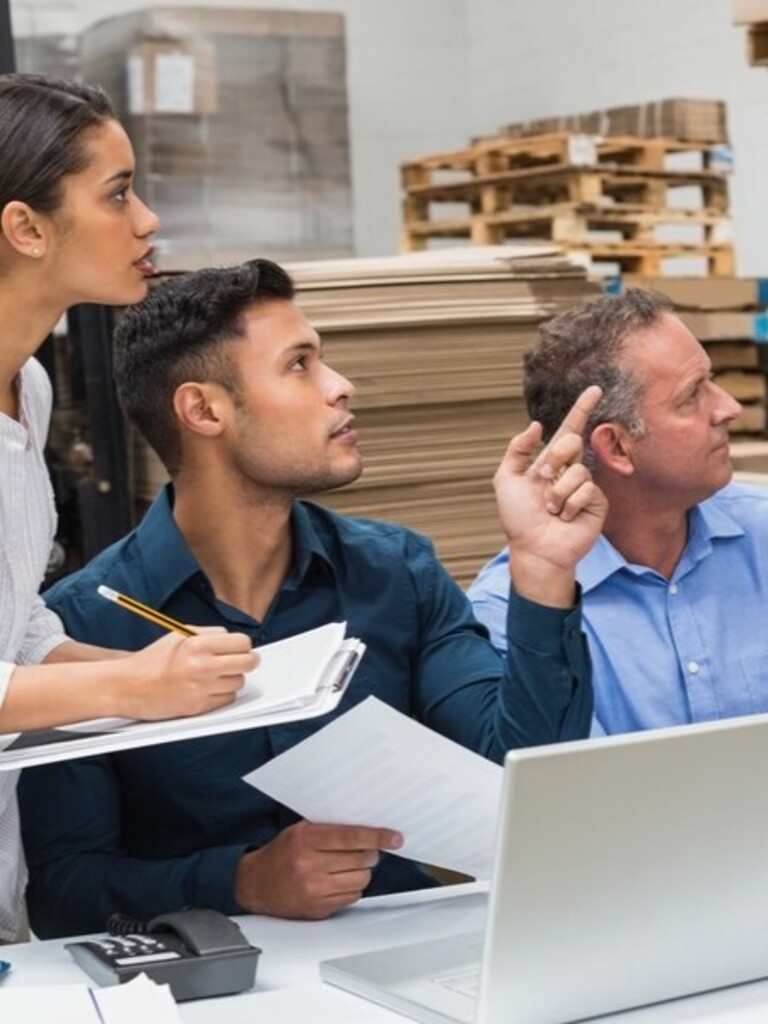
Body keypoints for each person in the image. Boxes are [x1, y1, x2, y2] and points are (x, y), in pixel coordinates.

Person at [20, 258, 606, 938]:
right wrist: (239, 880)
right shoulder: (83, 626)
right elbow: (62, 891)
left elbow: (525, 771)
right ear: (204, 409)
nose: (340, 387)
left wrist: (540, 570)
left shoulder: (398, 576)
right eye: (300, 365)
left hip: (405, 964)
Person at [0, 73, 258, 943]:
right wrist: (131, 685)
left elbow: (14, 624)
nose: (147, 220)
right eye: (117, 194)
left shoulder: (27, 389)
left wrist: (162, 671)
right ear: (26, 228)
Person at [468, 287, 768, 736]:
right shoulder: (509, 618)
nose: (729, 407)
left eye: (713, 380)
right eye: (692, 396)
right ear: (617, 447)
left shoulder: (761, 536)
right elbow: (569, 788)